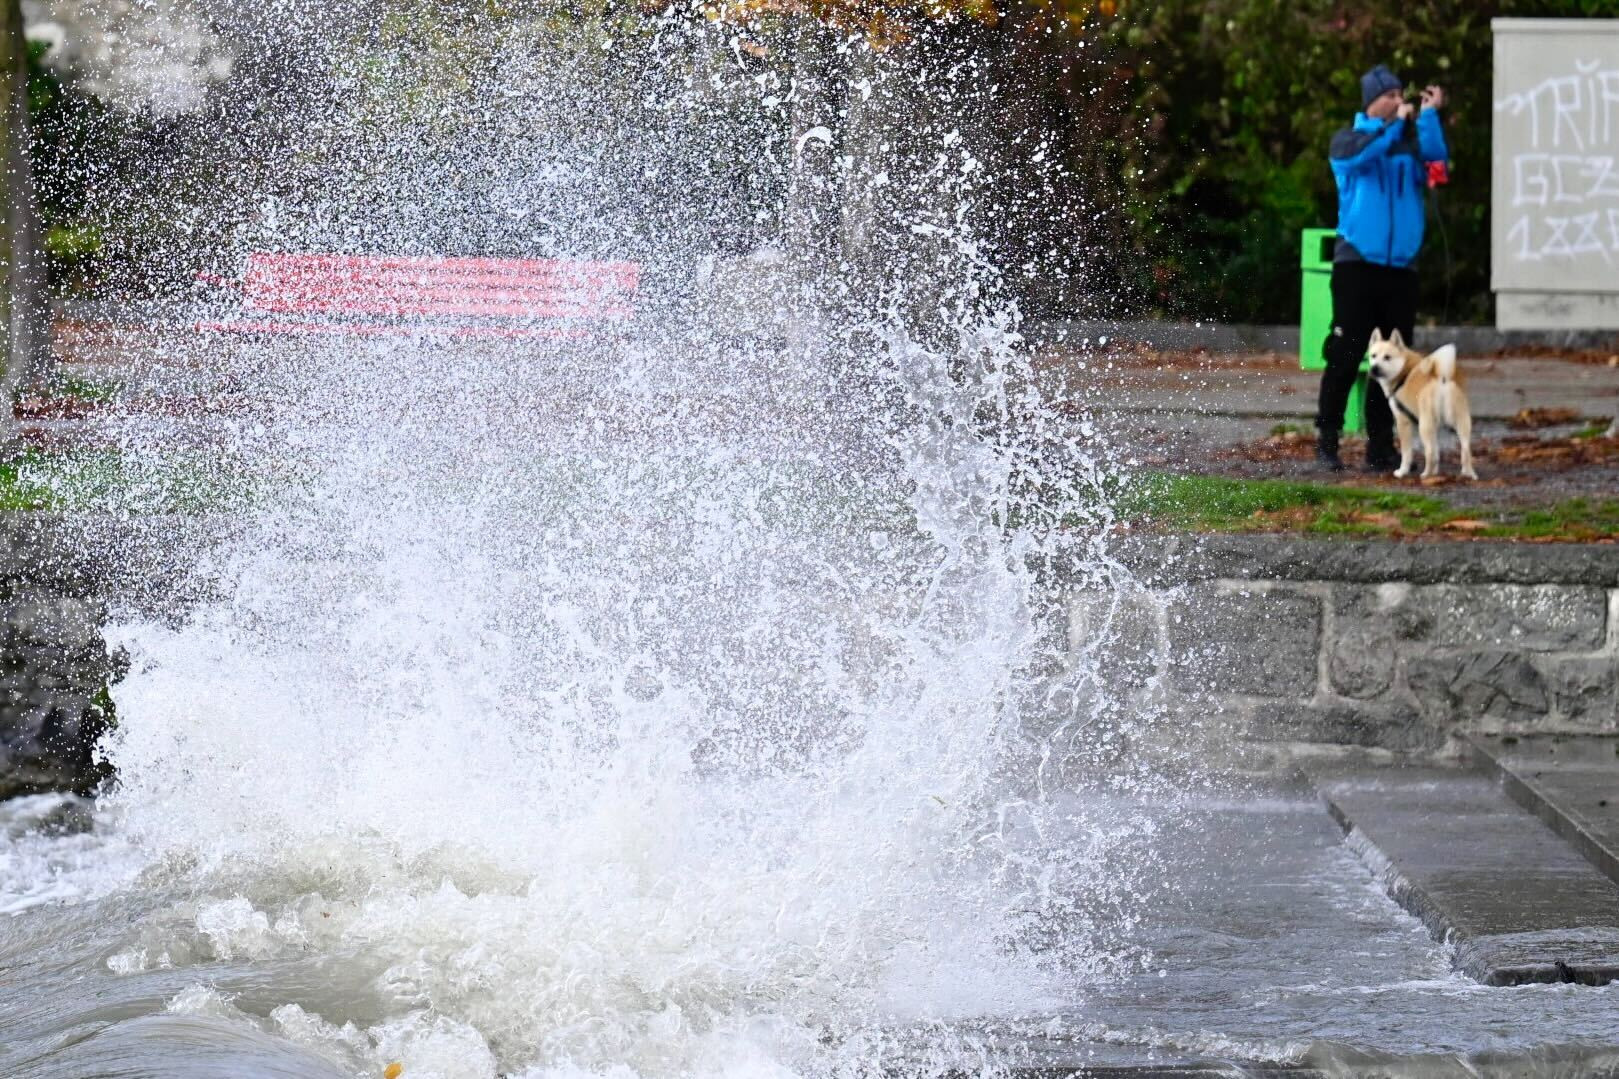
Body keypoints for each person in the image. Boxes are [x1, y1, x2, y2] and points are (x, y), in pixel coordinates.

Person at [1316, 64, 1449, 472]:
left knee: (1394, 360)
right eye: (1389, 95)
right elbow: (1365, 155)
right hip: (1357, 263)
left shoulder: (1408, 144)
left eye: (1400, 95)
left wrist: (1428, 119)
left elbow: (1438, 167)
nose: (1397, 100)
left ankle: (1381, 445)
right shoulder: (1349, 140)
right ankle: (1328, 440)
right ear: (1372, 101)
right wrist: (1395, 125)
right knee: (1347, 352)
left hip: (1400, 268)